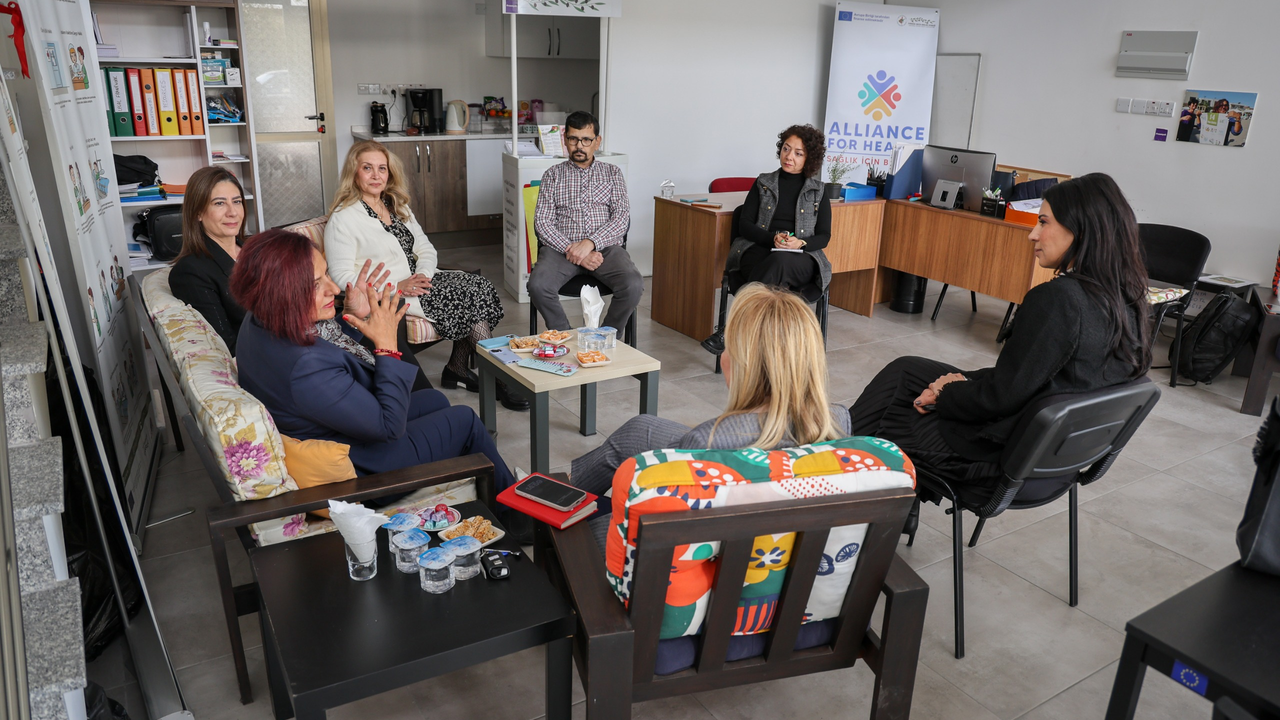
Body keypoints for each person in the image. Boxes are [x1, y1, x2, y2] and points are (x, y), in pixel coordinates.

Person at [848, 173, 1151, 504]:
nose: (1033, 234)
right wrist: (955, 382)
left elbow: (1001, 398)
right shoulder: (1128, 301)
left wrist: (947, 393)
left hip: (1000, 464)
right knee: (907, 370)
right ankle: (859, 477)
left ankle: (829, 472)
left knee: (892, 412)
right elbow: (1031, 378)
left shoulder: (1059, 300)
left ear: (1080, 229)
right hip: (1056, 464)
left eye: (1043, 222)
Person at [231, 229, 520, 515]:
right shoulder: (304, 367)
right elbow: (388, 426)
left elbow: (324, 352)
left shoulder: (259, 319)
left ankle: (473, 489)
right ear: (283, 293)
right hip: (362, 469)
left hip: (337, 430)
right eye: (316, 284)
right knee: (465, 421)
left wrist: (354, 318)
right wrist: (386, 346)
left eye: (326, 275)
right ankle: (516, 517)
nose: (334, 289)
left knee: (436, 401)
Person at [569, 283, 850, 548]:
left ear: (745, 364)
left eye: (728, 345)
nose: (723, 355)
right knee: (639, 431)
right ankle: (560, 493)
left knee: (574, 537)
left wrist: (574, 538)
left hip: (686, 557)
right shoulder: (836, 420)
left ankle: (552, 514)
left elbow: (645, 530)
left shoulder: (707, 441)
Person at [324, 140, 527, 410]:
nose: (376, 175)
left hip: (422, 282)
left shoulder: (396, 206)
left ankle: (459, 369)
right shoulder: (343, 217)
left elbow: (425, 248)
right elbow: (341, 276)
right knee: (468, 296)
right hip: (392, 295)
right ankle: (498, 377)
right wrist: (398, 285)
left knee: (477, 285)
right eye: (367, 168)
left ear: (389, 173)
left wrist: (423, 275)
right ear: (354, 172)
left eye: (382, 168)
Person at [702, 125, 833, 356]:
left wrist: (800, 243)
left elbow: (824, 236)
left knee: (780, 261)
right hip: (759, 250)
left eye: (798, 153)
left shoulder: (819, 191)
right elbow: (744, 224)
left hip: (800, 259)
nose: (789, 156)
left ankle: (731, 330)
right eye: (786, 149)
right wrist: (772, 238)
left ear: (809, 158)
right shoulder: (763, 182)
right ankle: (769, 350)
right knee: (774, 265)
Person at [529, 110, 641, 333]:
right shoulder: (552, 175)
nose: (579, 146)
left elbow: (621, 218)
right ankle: (566, 337)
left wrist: (590, 243)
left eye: (586, 140)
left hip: (606, 249)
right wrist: (574, 251)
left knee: (633, 285)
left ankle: (607, 337)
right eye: (573, 139)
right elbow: (542, 222)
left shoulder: (612, 173)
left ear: (597, 142)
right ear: (565, 140)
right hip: (560, 250)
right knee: (538, 286)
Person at [169, 166, 248, 354]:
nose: (232, 212)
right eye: (219, 203)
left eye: (237, 201)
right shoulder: (190, 272)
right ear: (198, 212)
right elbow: (227, 346)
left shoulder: (256, 250)